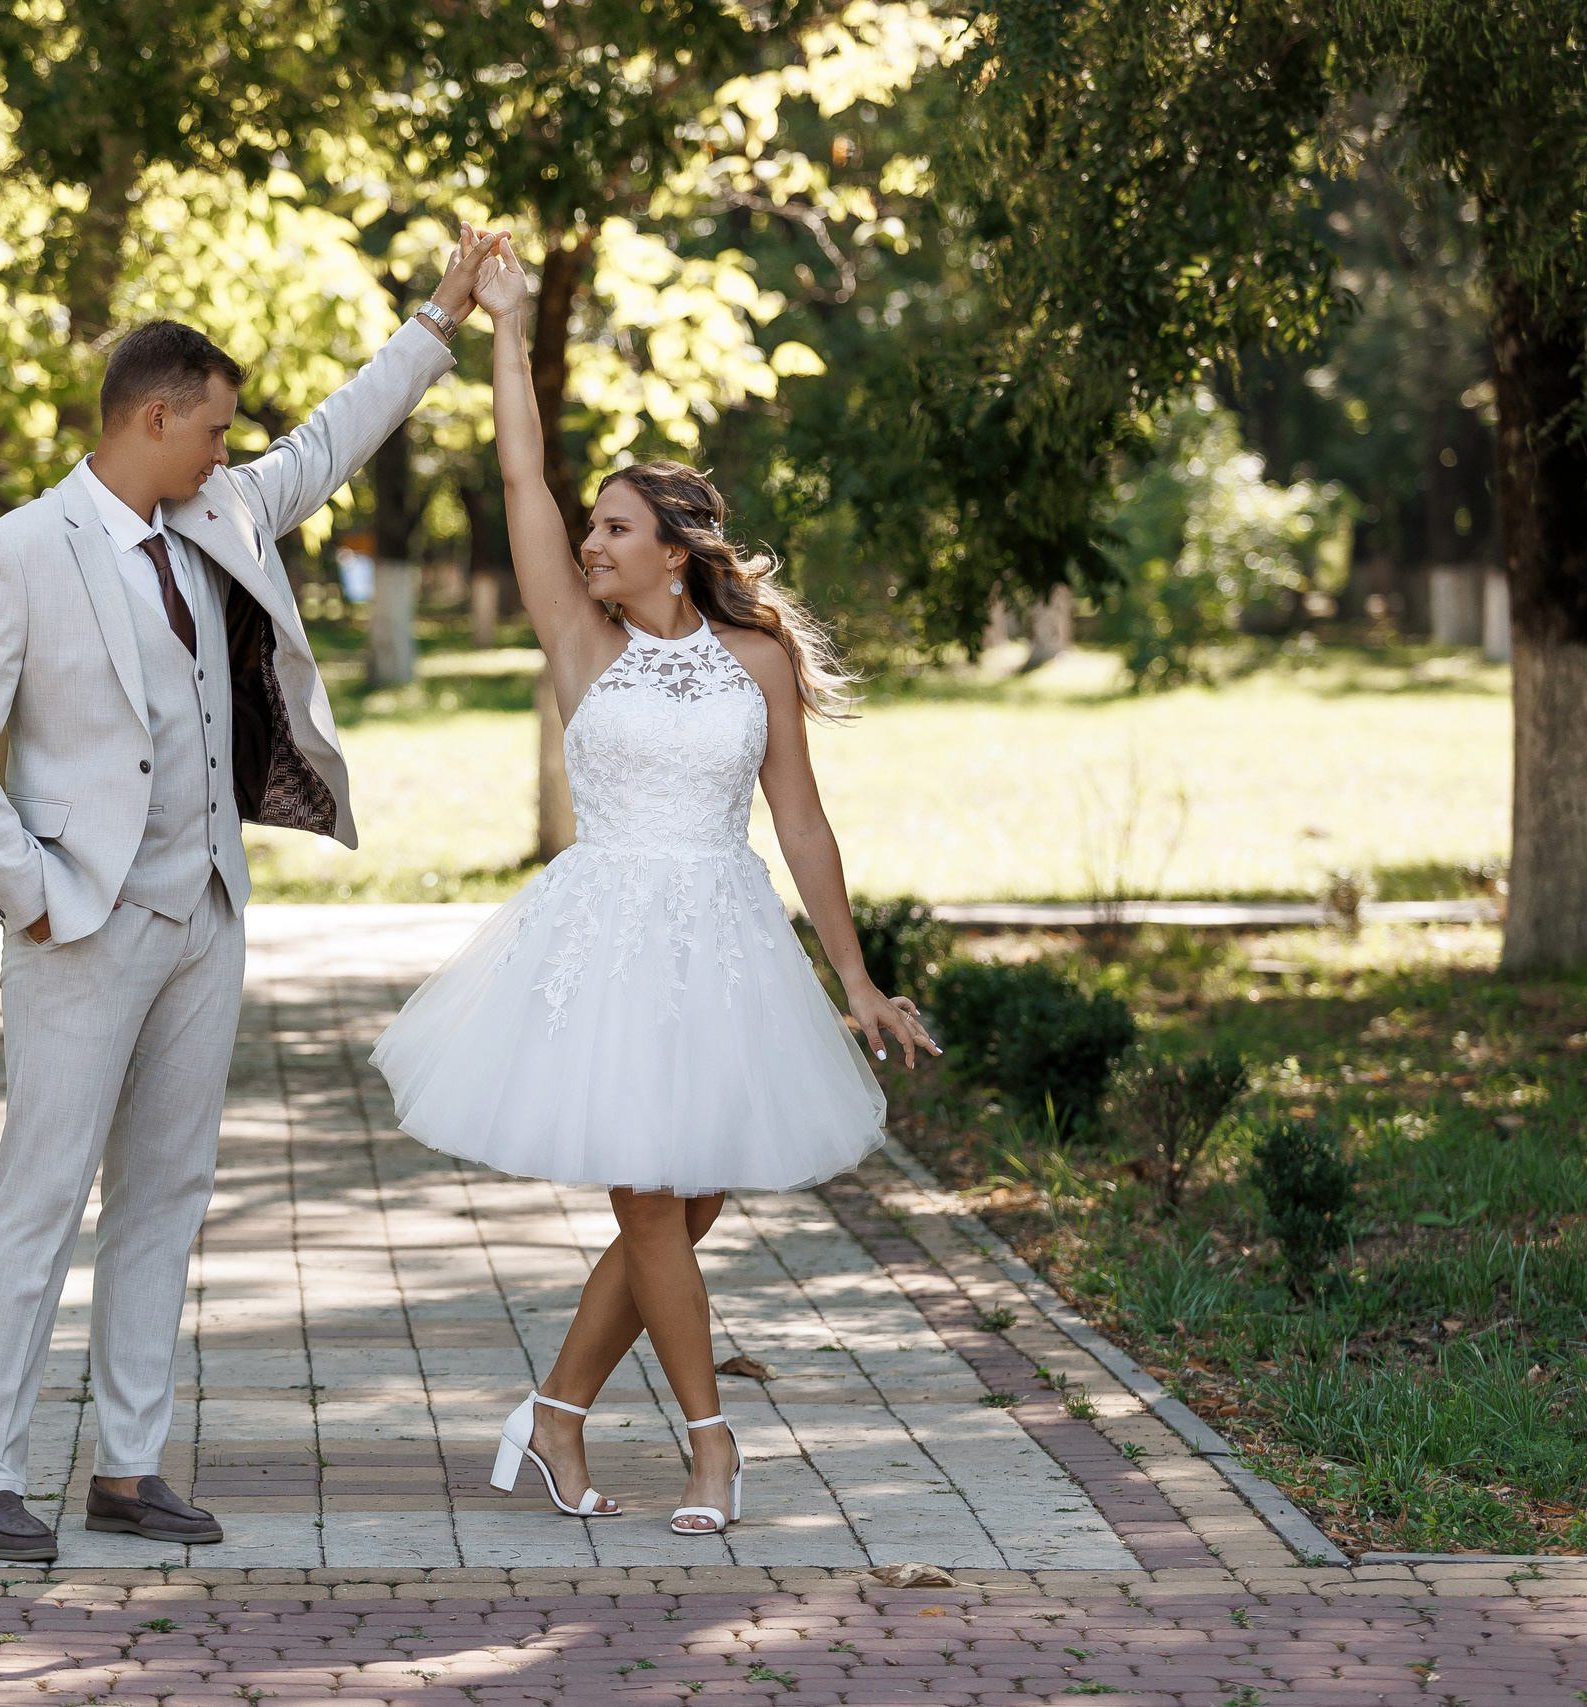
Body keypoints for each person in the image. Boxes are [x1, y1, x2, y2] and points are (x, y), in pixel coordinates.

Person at [0, 227, 508, 1564]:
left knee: (167, 1196)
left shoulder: (221, 511)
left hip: (206, 913)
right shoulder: (24, 549)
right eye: (213, 428)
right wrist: (34, 893)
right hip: (82, 920)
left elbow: (333, 442)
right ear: (153, 416)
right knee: (42, 1196)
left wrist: (440, 320)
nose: (231, 449)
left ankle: (128, 1470)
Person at [370, 244, 938, 1537]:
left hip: (725, 949)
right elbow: (523, 474)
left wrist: (853, 979)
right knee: (648, 1198)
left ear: (675, 551)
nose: (592, 542)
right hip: (608, 944)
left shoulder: (756, 662)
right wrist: (507, 329)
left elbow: (799, 816)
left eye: (616, 528)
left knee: (684, 1208)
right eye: (594, 528)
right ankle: (713, 1447)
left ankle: (557, 1412)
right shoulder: (582, 642)